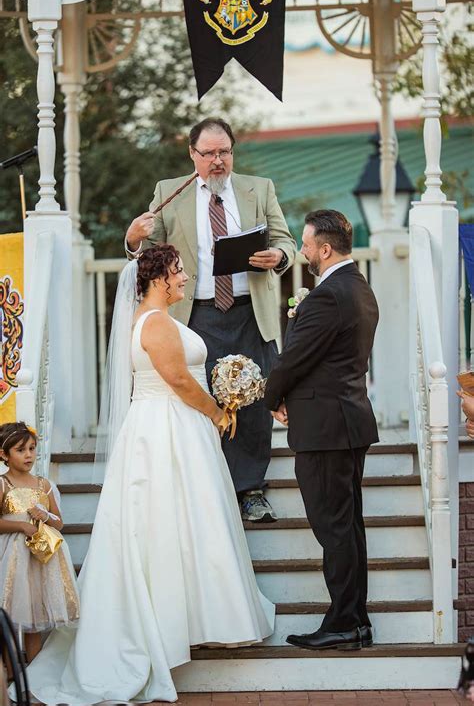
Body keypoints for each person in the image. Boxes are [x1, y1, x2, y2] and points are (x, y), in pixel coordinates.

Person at [25, 245, 274, 705]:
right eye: (179, 272)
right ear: (160, 278)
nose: (184, 280)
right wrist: (218, 412)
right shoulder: (156, 322)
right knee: (166, 523)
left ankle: (196, 618)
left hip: (173, 426)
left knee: (185, 523)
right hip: (166, 429)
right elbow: (178, 379)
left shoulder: (153, 317)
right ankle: (168, 625)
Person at [125, 117, 297, 522]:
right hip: (195, 315)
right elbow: (147, 250)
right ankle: (209, 489)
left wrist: (280, 257)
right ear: (192, 155)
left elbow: (285, 240)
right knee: (202, 400)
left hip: (249, 312)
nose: (218, 161)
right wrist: (133, 238)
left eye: (224, 152)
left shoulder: (260, 188)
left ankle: (251, 490)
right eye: (209, 154)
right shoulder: (169, 193)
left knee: (253, 401)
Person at [264, 210, 379, 652]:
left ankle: (345, 623)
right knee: (347, 527)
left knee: (334, 529)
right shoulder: (360, 287)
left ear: (325, 249)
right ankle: (357, 621)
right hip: (347, 420)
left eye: (307, 245)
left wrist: (271, 398)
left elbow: (294, 359)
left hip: (326, 427)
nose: (304, 251)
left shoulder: (329, 295)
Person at [0, 422, 79, 663]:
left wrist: (46, 516)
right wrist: (21, 525)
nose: (29, 455)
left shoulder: (44, 484)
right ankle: (12, 673)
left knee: (34, 616)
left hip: (41, 559)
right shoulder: (3, 484)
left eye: (32, 448)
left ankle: (34, 675)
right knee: (12, 615)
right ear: (3, 454)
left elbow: (59, 524)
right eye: (21, 450)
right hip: (13, 557)